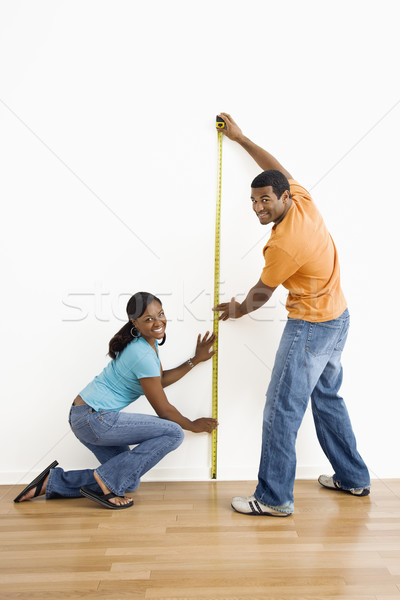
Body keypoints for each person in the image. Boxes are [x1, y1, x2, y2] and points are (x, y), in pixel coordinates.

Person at [213, 113, 370, 517]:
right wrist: (242, 138)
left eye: (265, 200)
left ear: (282, 198)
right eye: (253, 201)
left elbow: (260, 295)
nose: (258, 207)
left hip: (311, 328)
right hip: (338, 318)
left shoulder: (283, 244)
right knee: (327, 398)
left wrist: (234, 310)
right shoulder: (301, 198)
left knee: (281, 407)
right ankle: (354, 477)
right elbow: (275, 167)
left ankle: (273, 498)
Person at [14, 292, 218, 509]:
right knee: (174, 432)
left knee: (129, 479)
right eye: (149, 319)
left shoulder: (146, 342)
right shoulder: (142, 353)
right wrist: (193, 425)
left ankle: (52, 482)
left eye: (160, 314)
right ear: (135, 323)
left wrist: (195, 360)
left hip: (84, 416)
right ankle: (108, 481)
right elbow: (164, 410)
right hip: (94, 418)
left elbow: (157, 381)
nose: (158, 323)